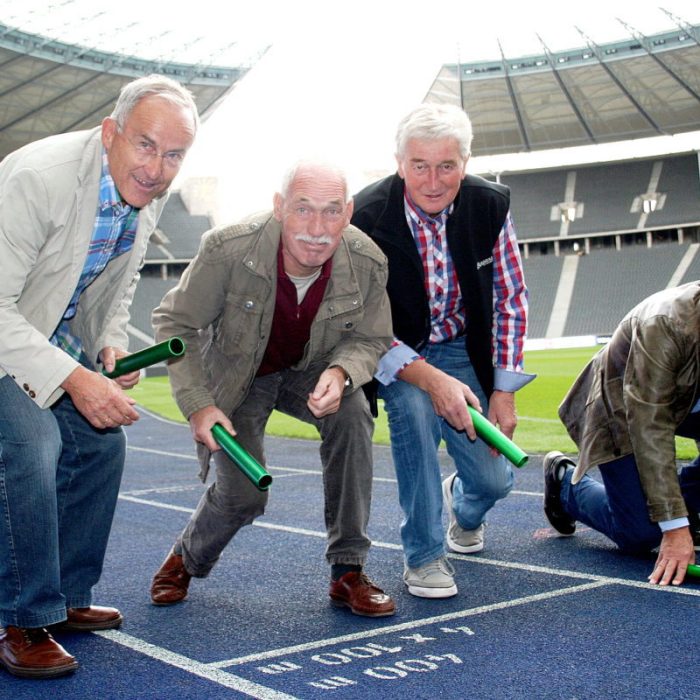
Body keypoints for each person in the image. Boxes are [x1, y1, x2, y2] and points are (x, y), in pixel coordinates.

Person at [0, 74, 199, 679]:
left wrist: (110, 340)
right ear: (110, 133)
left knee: (101, 442)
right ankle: (20, 618)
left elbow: (119, 281)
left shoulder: (147, 190)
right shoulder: (38, 179)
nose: (157, 167)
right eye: (145, 145)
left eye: (173, 155)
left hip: (45, 334)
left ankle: (62, 597)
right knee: (35, 444)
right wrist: (77, 379)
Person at [149, 160, 396, 618]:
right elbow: (175, 322)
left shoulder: (366, 261)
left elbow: (373, 337)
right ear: (280, 207)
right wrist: (199, 404)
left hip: (310, 368)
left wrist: (342, 373)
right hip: (241, 376)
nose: (318, 229)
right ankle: (188, 555)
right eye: (304, 209)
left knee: (353, 413)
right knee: (245, 495)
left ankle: (348, 570)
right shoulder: (227, 249)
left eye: (331, 212)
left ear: (348, 213)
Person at [351, 104, 533, 599]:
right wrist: (426, 378)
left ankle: (464, 504)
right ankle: (425, 556)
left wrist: (504, 389)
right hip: (397, 353)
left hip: (462, 349)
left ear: (466, 163)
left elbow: (511, 298)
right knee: (412, 419)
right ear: (399, 162)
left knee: (495, 481)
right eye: (419, 166)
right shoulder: (365, 215)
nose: (432, 181)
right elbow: (359, 319)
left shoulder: (489, 205)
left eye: (447, 166)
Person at [543, 282, 700, 586]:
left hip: (687, 401)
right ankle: (565, 485)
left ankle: (682, 504)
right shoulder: (665, 325)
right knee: (640, 532)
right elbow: (650, 425)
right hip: (622, 408)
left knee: (663, 512)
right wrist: (674, 527)